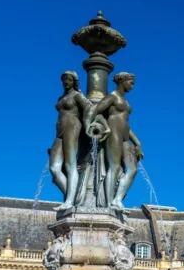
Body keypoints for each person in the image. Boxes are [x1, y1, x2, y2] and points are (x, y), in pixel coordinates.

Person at [83, 72, 143, 213]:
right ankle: (110, 203)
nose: (132, 87)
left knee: (133, 170)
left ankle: (117, 199)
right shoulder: (112, 97)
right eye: (131, 83)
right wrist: (92, 125)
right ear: (122, 81)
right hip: (114, 134)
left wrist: (138, 143)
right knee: (114, 167)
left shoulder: (125, 101)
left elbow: (126, 124)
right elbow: (95, 110)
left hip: (124, 137)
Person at [49, 71, 90, 210]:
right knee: (54, 168)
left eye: (68, 80)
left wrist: (88, 124)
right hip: (59, 132)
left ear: (74, 82)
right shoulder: (62, 97)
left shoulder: (77, 95)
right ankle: (73, 197)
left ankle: (69, 201)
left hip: (72, 128)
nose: (66, 82)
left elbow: (89, 108)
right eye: (64, 80)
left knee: (69, 164)